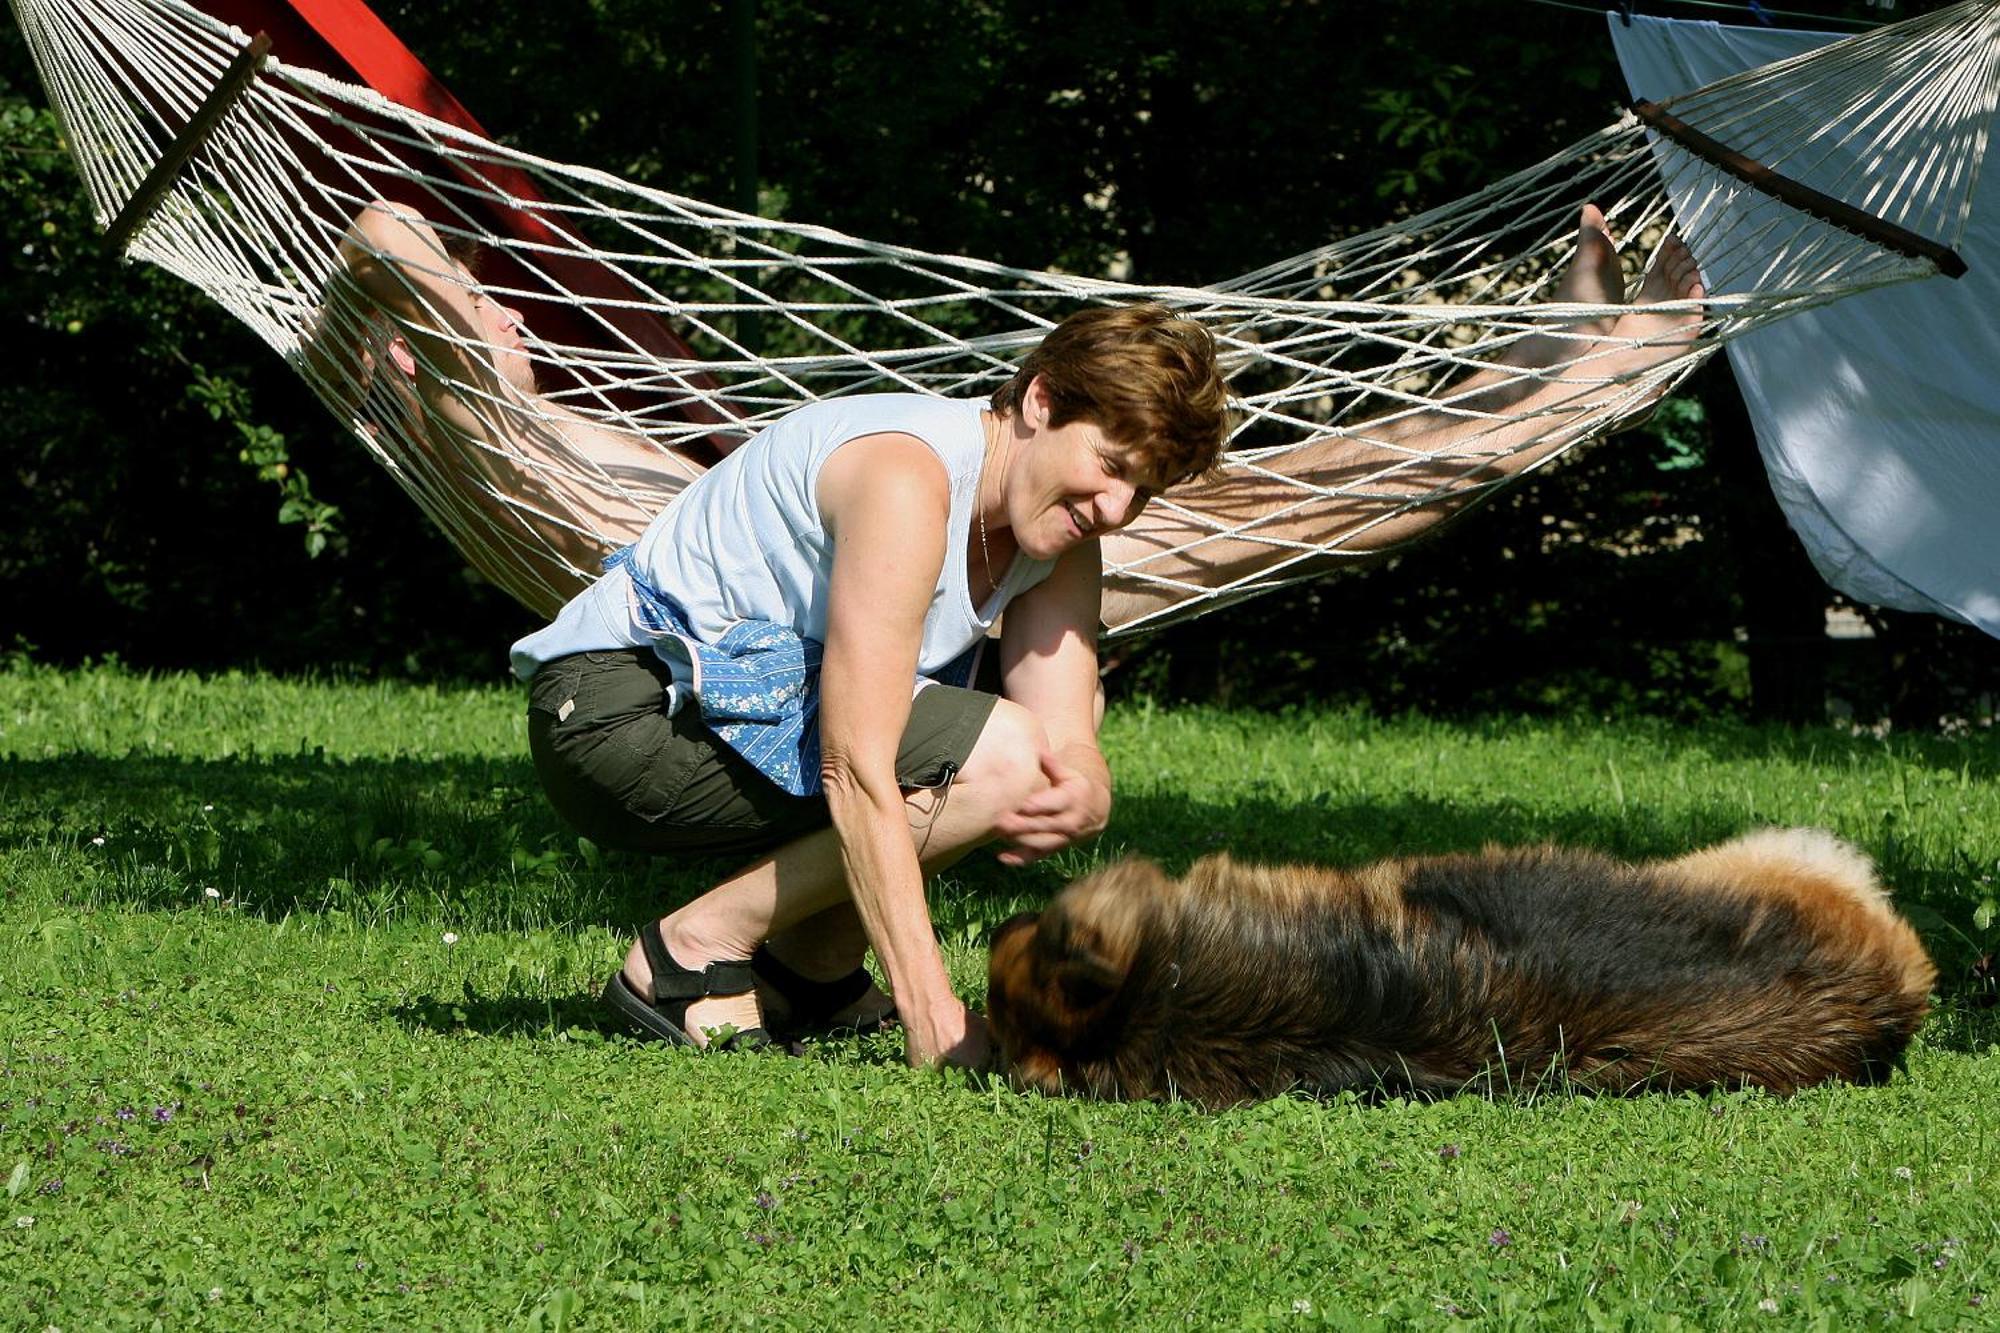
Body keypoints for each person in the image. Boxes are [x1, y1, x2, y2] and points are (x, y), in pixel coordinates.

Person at [327, 200, 1702, 1069]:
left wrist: (1081, 778)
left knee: (1027, 760)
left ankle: (808, 973)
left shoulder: (1060, 535)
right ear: (1038, 401)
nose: (1111, 504)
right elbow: (867, 768)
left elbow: (1068, 744)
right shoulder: (905, 479)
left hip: (729, 712)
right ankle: (690, 947)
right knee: (983, 757)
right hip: (616, 711)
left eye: (1141, 490)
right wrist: (941, 1018)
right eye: (1106, 463)